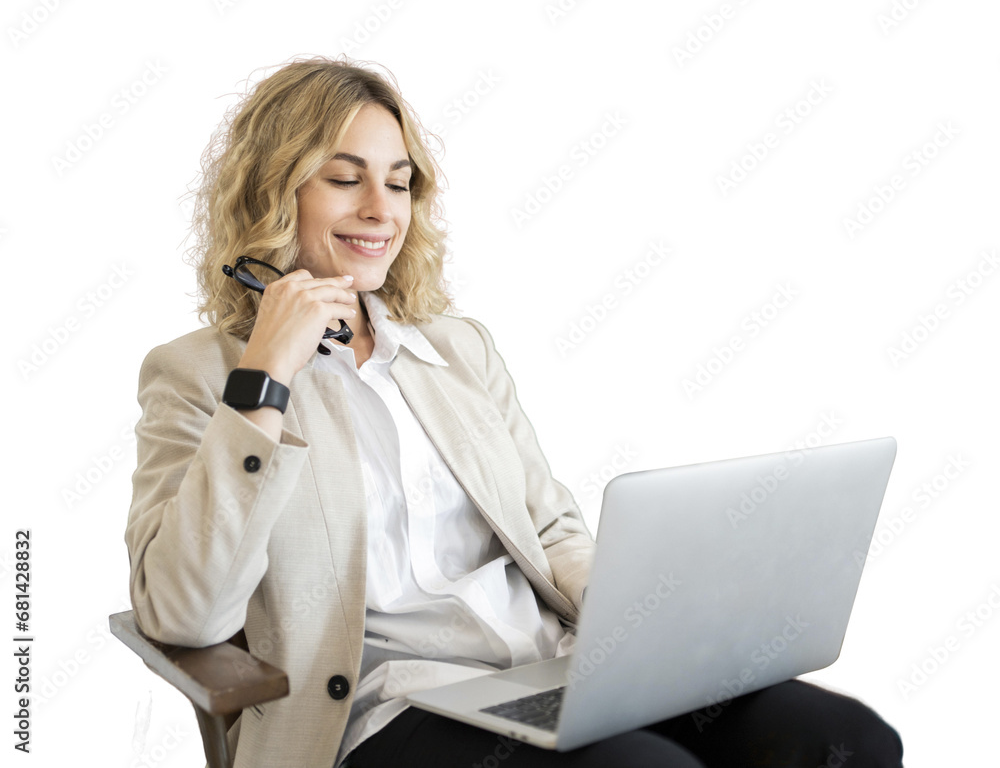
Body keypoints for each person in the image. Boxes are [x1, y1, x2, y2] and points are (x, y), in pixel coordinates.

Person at [125, 56, 904, 768]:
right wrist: (267, 376)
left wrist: (633, 614)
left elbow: (550, 526)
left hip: (548, 666)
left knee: (849, 742)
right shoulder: (202, 374)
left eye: (398, 182)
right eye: (343, 177)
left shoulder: (457, 349)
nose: (380, 209)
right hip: (387, 710)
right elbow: (185, 611)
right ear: (274, 188)